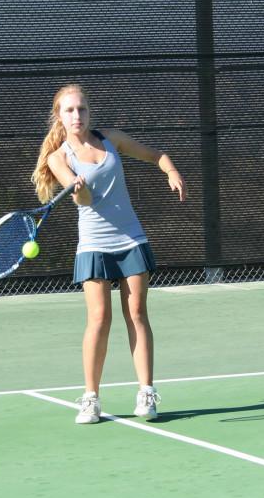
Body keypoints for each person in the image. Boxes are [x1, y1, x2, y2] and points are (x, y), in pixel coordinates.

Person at [31, 84, 186, 424]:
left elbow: (154, 155)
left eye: (82, 109)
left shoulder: (111, 139)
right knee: (99, 319)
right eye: (69, 110)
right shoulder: (59, 159)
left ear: (89, 112)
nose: (76, 116)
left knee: (137, 313)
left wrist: (171, 172)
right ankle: (91, 399)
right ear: (59, 116)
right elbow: (84, 202)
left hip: (130, 238)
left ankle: (146, 393)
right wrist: (79, 191)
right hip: (94, 243)